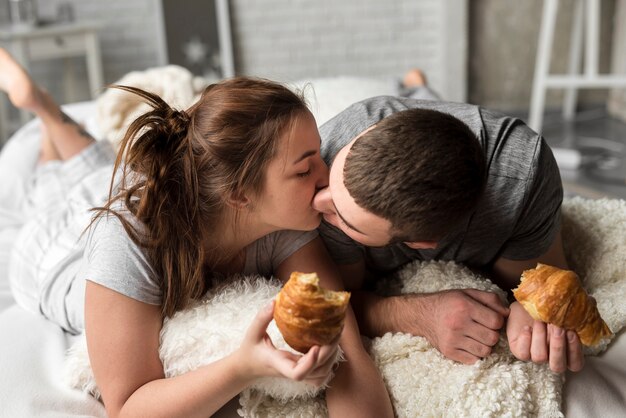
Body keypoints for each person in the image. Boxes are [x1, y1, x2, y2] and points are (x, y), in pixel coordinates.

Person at [0, 49, 393, 418]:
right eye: (305, 170)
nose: (328, 181)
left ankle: (46, 111)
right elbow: (128, 406)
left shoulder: (285, 222)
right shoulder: (125, 242)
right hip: (53, 252)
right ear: (240, 194)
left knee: (93, 171)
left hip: (146, 193)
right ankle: (43, 110)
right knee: (56, 189)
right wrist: (241, 368)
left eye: (319, 155)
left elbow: (348, 350)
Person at [313, 70, 585, 374]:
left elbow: (541, 280)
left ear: (421, 243)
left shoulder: (524, 177)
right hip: (401, 113)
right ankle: (416, 87)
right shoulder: (328, 153)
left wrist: (529, 309)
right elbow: (336, 303)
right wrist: (418, 315)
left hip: (484, 163)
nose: (316, 201)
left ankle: (420, 87)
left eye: (343, 218)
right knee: (425, 101)